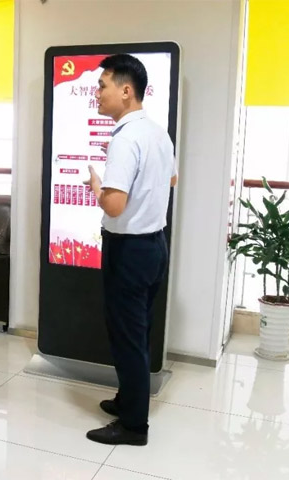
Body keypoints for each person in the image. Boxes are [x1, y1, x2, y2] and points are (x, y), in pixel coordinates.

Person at [84, 54, 177, 446]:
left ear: (126, 90)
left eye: (102, 85)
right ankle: (128, 400)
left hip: (129, 250)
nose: (97, 93)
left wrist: (97, 186)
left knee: (127, 336)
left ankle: (134, 426)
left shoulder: (124, 139)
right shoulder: (157, 132)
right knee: (139, 331)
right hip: (154, 245)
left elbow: (114, 205)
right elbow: (171, 180)